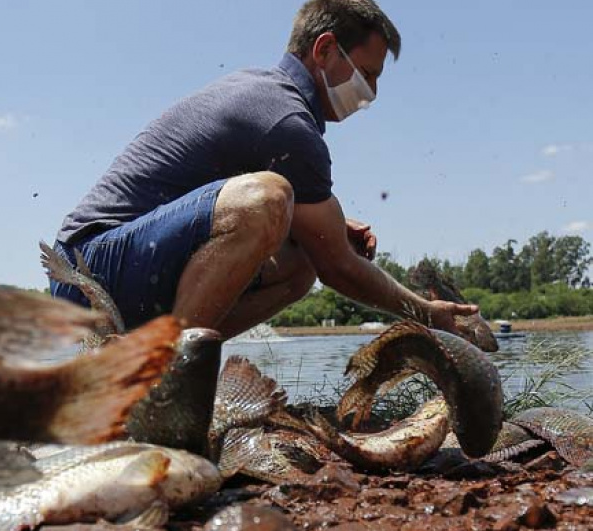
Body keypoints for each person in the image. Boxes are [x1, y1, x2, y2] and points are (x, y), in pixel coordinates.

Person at [50, 0, 478, 340]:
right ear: (325, 49)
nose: (372, 93)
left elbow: (315, 253)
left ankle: (158, 360)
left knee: (300, 263)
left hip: (124, 266)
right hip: (86, 273)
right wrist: (425, 312)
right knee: (270, 200)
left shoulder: (267, 93)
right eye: (366, 74)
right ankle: (168, 379)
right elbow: (339, 266)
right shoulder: (284, 119)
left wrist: (309, 229)